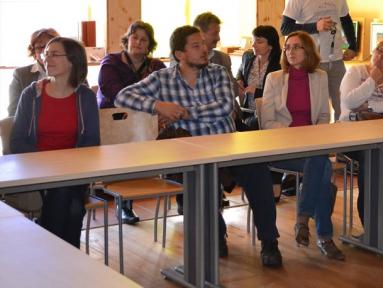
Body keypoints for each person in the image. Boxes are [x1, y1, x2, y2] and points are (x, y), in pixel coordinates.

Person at [115, 25, 282, 268]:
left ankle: (269, 241)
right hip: (190, 154)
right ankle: (216, 234)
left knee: (258, 171)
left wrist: (182, 113)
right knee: (199, 177)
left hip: (228, 147)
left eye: (204, 43)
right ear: (179, 54)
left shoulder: (218, 73)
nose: (205, 49)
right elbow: (121, 97)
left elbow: (224, 107)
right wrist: (159, 106)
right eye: (196, 46)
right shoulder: (163, 78)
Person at [261, 31, 345, 260]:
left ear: (307, 51)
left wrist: (312, 137)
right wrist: (294, 136)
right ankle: (323, 237)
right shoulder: (274, 78)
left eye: (296, 47)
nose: (291, 51)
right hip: (282, 148)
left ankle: (303, 221)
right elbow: (267, 122)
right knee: (323, 167)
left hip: (311, 147)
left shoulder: (319, 77)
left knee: (319, 162)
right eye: (287, 47)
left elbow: (324, 116)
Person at [10, 37, 100, 247]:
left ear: (72, 60)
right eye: (46, 54)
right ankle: (67, 259)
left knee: (65, 196)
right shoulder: (31, 94)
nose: (46, 58)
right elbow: (17, 141)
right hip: (37, 170)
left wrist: (65, 167)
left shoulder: (85, 97)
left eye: (55, 54)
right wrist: (48, 165)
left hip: (73, 171)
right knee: (72, 207)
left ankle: (50, 251)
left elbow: (91, 141)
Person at [97, 21, 166, 224]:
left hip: (145, 122)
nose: (138, 42)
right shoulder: (111, 62)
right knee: (127, 146)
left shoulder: (156, 66)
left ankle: (181, 194)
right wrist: (149, 103)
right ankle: (124, 203)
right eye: (134, 37)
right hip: (115, 121)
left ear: (149, 45)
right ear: (127, 40)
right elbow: (114, 93)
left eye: (144, 39)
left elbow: (166, 91)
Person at [340, 40, 383, 225]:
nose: (380, 57)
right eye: (379, 51)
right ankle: (370, 221)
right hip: (352, 134)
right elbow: (349, 102)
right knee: (373, 157)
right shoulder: (355, 72)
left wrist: (370, 106)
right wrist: (372, 80)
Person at [281, 0, 357, 121]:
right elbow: (285, 28)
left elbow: (346, 20)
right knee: (318, 110)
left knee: (343, 108)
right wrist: (316, 26)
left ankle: (341, 138)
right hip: (312, 62)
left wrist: (353, 46)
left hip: (336, 61)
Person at [236, 25, 282, 131]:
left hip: (270, 113)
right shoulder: (248, 56)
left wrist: (256, 91)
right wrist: (239, 79)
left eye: (259, 42)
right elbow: (240, 71)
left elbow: (280, 93)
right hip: (248, 111)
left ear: (271, 45)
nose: (253, 45)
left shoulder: (279, 63)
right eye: (253, 41)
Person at [8, 28, 59, 116]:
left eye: (48, 46)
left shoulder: (73, 72)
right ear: (34, 52)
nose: (44, 51)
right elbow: (14, 111)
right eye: (39, 47)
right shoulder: (20, 75)